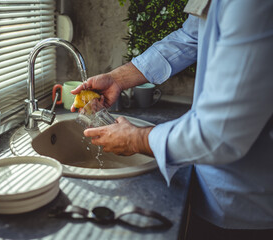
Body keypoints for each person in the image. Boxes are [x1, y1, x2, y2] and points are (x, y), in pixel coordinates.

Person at [70, 0, 273, 239]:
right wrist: (117, 79)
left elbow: (218, 133)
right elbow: (189, 37)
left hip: (246, 207)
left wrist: (136, 139)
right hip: (212, 187)